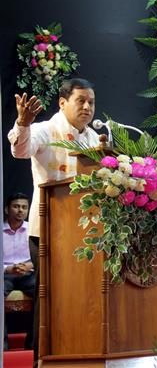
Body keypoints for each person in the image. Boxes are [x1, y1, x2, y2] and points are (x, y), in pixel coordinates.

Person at [7, 79, 100, 364]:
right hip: (49, 230)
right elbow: (20, 150)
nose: (87, 107)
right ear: (62, 103)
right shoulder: (45, 129)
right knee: (53, 300)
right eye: (80, 100)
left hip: (86, 232)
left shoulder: (94, 139)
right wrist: (23, 123)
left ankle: (79, 354)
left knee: (83, 297)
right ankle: (43, 360)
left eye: (91, 102)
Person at [3, 193, 35, 350]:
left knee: (45, 292)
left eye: (24, 207)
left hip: (27, 274)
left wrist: (29, 265)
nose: (20, 210)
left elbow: (39, 256)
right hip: (5, 274)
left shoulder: (32, 230)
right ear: (7, 210)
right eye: (16, 206)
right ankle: (2, 346)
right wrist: (9, 269)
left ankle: (34, 343)